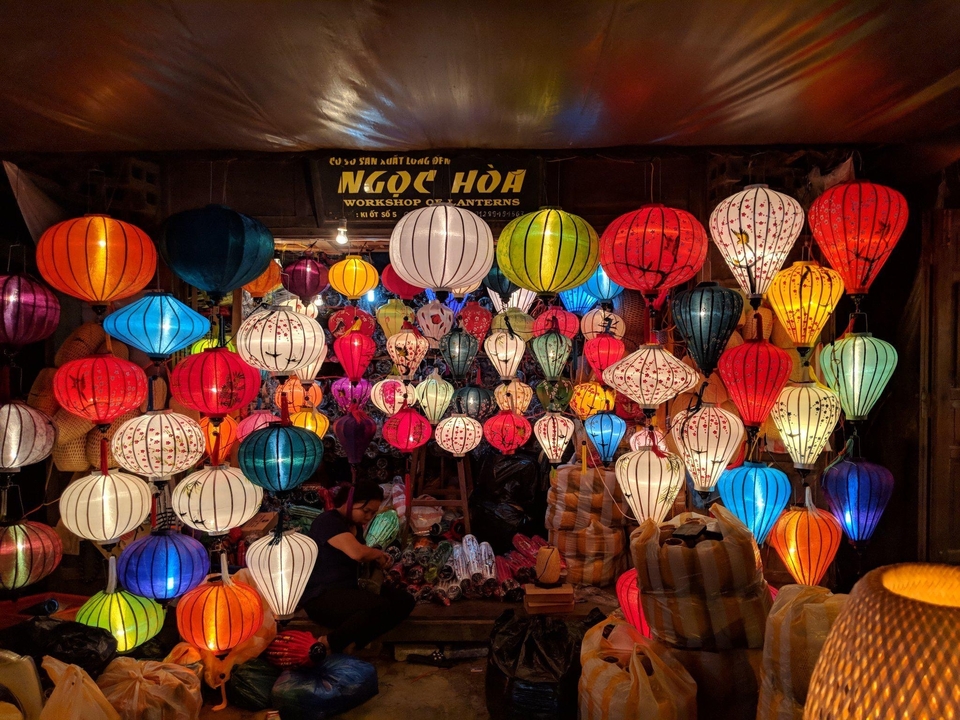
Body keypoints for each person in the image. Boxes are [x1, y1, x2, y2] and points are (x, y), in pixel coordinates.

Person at [301, 481, 415, 654]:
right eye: (365, 510)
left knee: (404, 601)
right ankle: (329, 642)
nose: (369, 517)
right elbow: (357, 553)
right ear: (349, 502)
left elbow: (361, 557)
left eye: (373, 513)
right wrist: (376, 554)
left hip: (350, 589)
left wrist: (376, 561)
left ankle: (355, 643)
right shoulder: (328, 522)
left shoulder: (354, 527)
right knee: (378, 606)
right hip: (322, 596)